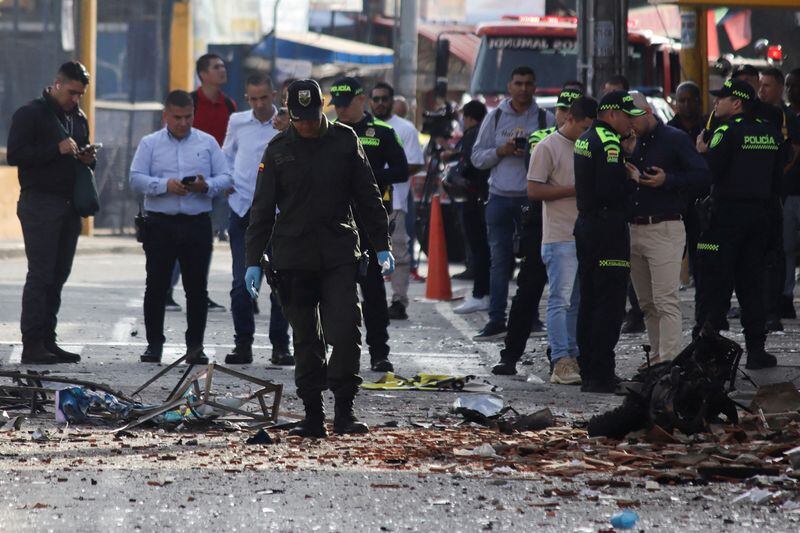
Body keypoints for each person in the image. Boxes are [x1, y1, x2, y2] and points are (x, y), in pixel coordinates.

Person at [244, 79, 393, 438]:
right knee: (306, 338)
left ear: (322, 109)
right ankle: (313, 415)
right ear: (290, 115)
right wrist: (253, 260)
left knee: (344, 330)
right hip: (293, 258)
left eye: (312, 118)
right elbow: (262, 209)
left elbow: (368, 195)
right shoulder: (277, 149)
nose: (307, 125)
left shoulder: (344, 141)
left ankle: (345, 410)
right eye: (300, 119)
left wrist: (382, 243)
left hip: (339, 252)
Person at [129, 90, 232, 364]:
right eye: (177, 117)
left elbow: (226, 177)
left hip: (196, 223)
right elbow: (135, 178)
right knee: (156, 286)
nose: (183, 123)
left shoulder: (207, 143)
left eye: (188, 117)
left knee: (197, 288)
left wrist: (205, 185)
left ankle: (195, 346)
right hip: (160, 223)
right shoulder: (150, 143)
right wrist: (165, 185)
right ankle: (154, 345)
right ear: (166, 115)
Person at [6, 61, 95, 364]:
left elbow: (79, 155)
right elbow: (16, 154)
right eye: (71, 92)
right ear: (57, 84)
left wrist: (85, 157)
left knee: (58, 275)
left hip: (69, 205)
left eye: (80, 94)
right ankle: (32, 343)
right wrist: (55, 150)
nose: (75, 99)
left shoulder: (78, 118)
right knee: (41, 274)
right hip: (40, 203)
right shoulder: (31, 114)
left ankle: (48, 339)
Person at [491, 87, 584, 374]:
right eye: (562, 109)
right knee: (529, 292)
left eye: (571, 110)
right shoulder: (541, 139)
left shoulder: (587, 140)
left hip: (573, 226)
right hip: (539, 224)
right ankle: (511, 355)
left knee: (573, 297)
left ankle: (567, 353)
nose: (565, 115)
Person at [694, 79, 783, 370]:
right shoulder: (769, 130)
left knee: (716, 282)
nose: (716, 102)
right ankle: (757, 350)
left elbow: (714, 171)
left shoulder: (725, 132)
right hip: (760, 216)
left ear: (737, 103)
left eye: (722, 98)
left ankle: (708, 351)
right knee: (751, 285)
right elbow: (778, 175)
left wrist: (703, 151)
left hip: (727, 217)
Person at [507, 96, 597, 383]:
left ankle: (572, 355)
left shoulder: (588, 145)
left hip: (583, 233)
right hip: (558, 236)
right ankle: (560, 360)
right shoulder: (547, 147)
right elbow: (533, 191)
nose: (586, 133)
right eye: (583, 127)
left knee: (578, 300)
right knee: (560, 300)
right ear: (569, 119)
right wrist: (575, 190)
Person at [626, 92, 711, 367]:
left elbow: (702, 175)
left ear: (648, 112)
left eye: (633, 119)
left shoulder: (674, 139)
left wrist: (667, 180)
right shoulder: (629, 141)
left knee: (665, 300)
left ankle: (672, 362)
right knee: (647, 303)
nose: (630, 124)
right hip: (634, 227)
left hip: (665, 226)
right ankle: (659, 357)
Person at [470, 66, 555, 341]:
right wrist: (501, 151)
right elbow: (477, 158)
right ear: (509, 86)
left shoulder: (545, 118)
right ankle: (497, 319)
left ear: (535, 86)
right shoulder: (494, 117)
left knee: (534, 262)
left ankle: (532, 317)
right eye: (518, 83)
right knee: (499, 261)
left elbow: (556, 158)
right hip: (499, 198)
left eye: (528, 83)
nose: (523, 88)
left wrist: (532, 152)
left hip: (531, 198)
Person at [330, 77, 408, 371]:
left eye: (345, 104)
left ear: (360, 100)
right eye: (336, 105)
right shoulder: (330, 133)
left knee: (373, 291)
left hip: (373, 222)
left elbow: (402, 170)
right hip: (337, 223)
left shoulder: (384, 133)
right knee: (335, 291)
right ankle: (337, 352)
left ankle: (379, 352)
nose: (340, 110)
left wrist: (369, 176)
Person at [574, 91, 644, 393]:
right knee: (610, 304)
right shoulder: (609, 142)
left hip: (588, 227)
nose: (630, 122)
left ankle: (590, 369)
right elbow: (609, 190)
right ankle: (602, 373)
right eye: (627, 116)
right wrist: (632, 181)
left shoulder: (586, 137)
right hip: (608, 229)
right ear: (612, 114)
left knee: (589, 300)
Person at [221, 73, 293, 366]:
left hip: (278, 215)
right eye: (254, 98)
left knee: (281, 284)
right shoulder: (237, 122)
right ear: (247, 98)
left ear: (274, 95)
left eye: (265, 97)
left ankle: (280, 346)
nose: (260, 104)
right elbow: (226, 155)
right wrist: (227, 183)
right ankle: (243, 344)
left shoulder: (289, 124)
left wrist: (291, 128)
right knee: (242, 283)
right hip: (243, 212)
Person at [369, 81, 425, 320]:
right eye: (376, 99)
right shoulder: (362, 126)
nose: (380, 103)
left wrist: (381, 173)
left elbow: (414, 164)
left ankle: (399, 301)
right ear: (369, 101)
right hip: (363, 204)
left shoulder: (404, 129)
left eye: (385, 99)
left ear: (392, 101)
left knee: (399, 254)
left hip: (396, 202)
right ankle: (369, 300)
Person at [191, 53, 236, 311]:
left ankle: (199, 291)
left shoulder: (229, 106)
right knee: (185, 238)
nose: (223, 70)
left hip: (217, 184)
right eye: (217, 67)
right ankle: (166, 291)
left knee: (206, 239)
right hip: (190, 184)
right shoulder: (191, 102)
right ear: (203, 74)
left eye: (223, 66)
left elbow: (234, 147)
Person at [759, 68, 800, 320]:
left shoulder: (786, 119)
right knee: (784, 249)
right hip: (784, 194)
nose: (790, 90)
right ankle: (783, 297)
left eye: (794, 85)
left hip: (790, 190)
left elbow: (791, 154)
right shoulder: (768, 117)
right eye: (787, 85)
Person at [449, 101, 492, 315]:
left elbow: (467, 167)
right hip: (487, 198)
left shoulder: (472, 135)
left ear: (468, 118)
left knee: (479, 249)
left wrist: (454, 175)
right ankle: (486, 294)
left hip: (475, 200)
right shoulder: (487, 133)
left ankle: (480, 294)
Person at [667, 81, 709, 284]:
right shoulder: (668, 132)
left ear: (698, 102)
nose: (685, 105)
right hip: (677, 202)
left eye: (689, 100)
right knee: (669, 259)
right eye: (680, 101)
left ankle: (705, 312)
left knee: (703, 260)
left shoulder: (709, 129)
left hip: (703, 203)